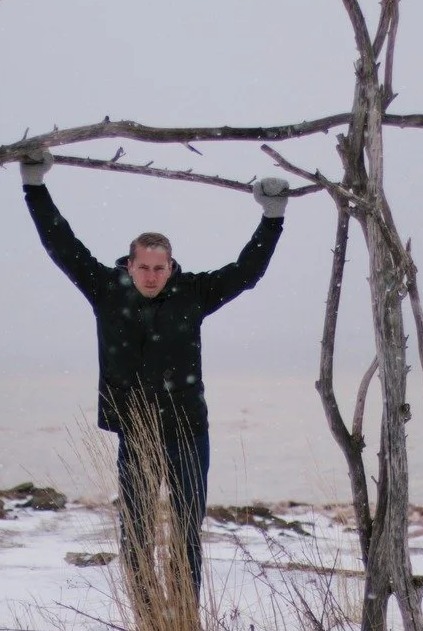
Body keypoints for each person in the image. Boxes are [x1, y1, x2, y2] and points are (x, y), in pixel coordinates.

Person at [20, 147, 289, 592]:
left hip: (188, 431)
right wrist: (34, 185)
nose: (150, 276)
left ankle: (184, 622)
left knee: (185, 536)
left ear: (171, 266)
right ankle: (148, 621)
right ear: (129, 265)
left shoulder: (193, 293)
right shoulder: (107, 290)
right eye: (143, 267)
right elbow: (61, 244)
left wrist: (272, 216)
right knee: (138, 535)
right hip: (137, 431)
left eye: (159, 268)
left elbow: (247, 272)